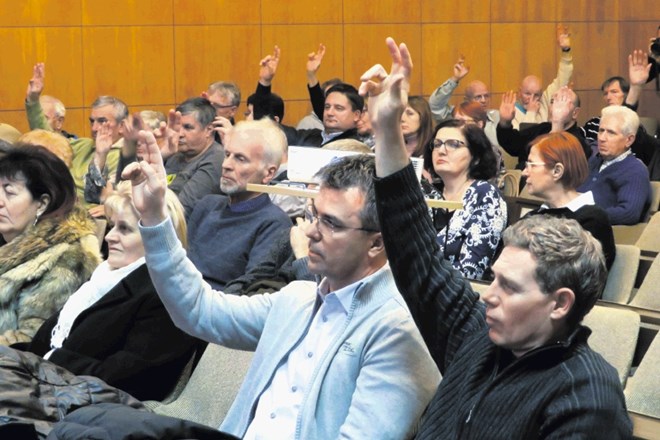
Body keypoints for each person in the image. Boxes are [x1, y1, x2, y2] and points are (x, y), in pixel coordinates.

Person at [360, 36, 631, 439]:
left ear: (559, 303)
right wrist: (386, 130)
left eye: (508, 285)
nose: (488, 293)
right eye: (496, 278)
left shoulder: (587, 398)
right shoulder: (478, 336)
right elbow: (418, 257)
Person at [121, 132, 440, 439]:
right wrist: (155, 215)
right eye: (315, 214)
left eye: (330, 223)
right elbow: (199, 310)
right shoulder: (297, 299)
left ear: (377, 243)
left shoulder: (399, 331)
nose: (311, 231)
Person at [0, 182, 202, 437]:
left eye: (124, 229)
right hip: (50, 391)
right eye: (112, 225)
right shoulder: (104, 278)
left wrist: (48, 360)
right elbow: (46, 345)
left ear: (158, 237)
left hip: (87, 414)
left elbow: (130, 378)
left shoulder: (167, 295)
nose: (108, 236)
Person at [0, 146, 101, 345]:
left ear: (42, 204)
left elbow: (31, 342)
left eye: (9, 193)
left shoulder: (69, 258)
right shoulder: (10, 241)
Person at [185, 118, 292, 291]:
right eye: (227, 155)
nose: (226, 165)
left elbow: (247, 291)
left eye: (240, 159)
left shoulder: (275, 224)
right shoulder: (206, 205)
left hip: (217, 310)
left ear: (268, 173)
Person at [25, 63, 128, 208]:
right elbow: (46, 140)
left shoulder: (129, 157)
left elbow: (110, 199)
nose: (94, 128)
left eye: (102, 121)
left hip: (91, 222)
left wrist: (110, 208)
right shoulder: (82, 145)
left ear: (122, 126)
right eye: (92, 121)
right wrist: (33, 100)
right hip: (57, 211)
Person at [422, 119, 507, 280]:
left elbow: (471, 270)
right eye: (437, 144)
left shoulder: (485, 195)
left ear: (475, 157)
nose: (441, 150)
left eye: (453, 144)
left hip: (458, 295)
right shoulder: (427, 194)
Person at [521, 132, 616, 269]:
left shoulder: (592, 221)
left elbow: (570, 277)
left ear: (557, 171)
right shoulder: (532, 217)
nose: (524, 172)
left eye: (532, 164)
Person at [577, 105, 651, 225]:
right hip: (573, 226)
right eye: (601, 131)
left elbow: (628, 214)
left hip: (598, 234)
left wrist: (584, 215)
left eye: (611, 133)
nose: (601, 138)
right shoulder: (593, 161)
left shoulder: (635, 171)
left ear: (629, 140)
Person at [497, 86, 590, 170]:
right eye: (553, 102)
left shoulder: (579, 143)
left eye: (561, 103)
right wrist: (505, 122)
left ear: (575, 113)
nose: (554, 107)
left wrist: (558, 123)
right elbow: (513, 145)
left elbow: (555, 172)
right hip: (523, 182)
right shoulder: (543, 128)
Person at [160, 97, 224, 219]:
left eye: (188, 127)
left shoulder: (216, 159)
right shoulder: (175, 153)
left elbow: (181, 209)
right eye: (178, 128)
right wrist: (160, 155)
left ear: (208, 130)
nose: (180, 134)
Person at [512, 24, 574, 128]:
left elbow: (563, 77)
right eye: (527, 94)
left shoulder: (544, 101)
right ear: (519, 92)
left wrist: (566, 51)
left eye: (536, 95)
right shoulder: (512, 111)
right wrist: (531, 113)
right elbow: (525, 138)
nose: (531, 99)